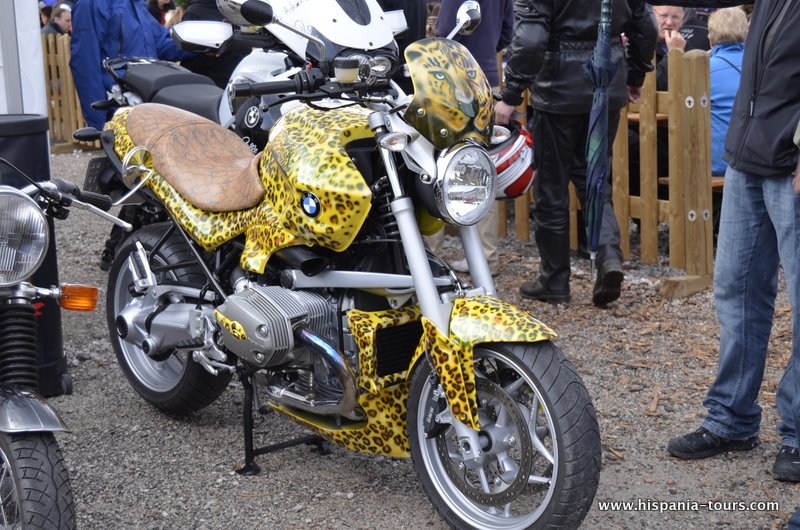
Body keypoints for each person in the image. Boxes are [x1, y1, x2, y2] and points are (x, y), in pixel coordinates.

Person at [662, 0, 800, 488]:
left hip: (792, 162)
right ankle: (731, 420)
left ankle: (798, 433)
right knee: (736, 291)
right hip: (749, 156)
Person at [494, 0, 657, 306]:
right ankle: (609, 257)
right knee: (593, 177)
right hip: (606, 81)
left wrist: (512, 92)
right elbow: (646, 27)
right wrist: (635, 75)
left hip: (559, 89)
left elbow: (531, 39)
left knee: (552, 188)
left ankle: (554, 280)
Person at [426, 0, 514, 276]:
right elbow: (508, 32)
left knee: (438, 163)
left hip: (455, 80)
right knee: (480, 165)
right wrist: (485, 51)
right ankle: (486, 258)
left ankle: (430, 255)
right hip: (487, 78)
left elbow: (444, 33)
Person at [69, 0, 193, 129]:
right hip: (119, 109)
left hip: (148, 105)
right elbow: (85, 65)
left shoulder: (137, 4)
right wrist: (99, 124)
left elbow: (162, 44)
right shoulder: (91, 4)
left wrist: (200, 43)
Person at [707, 7, 746, 177]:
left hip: (717, 163)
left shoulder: (704, 68)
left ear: (711, 37)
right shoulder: (760, 65)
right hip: (754, 160)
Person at [179, 0, 249, 89]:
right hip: (209, 85)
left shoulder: (236, 9)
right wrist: (209, 55)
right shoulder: (195, 12)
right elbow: (187, 55)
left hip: (237, 79)